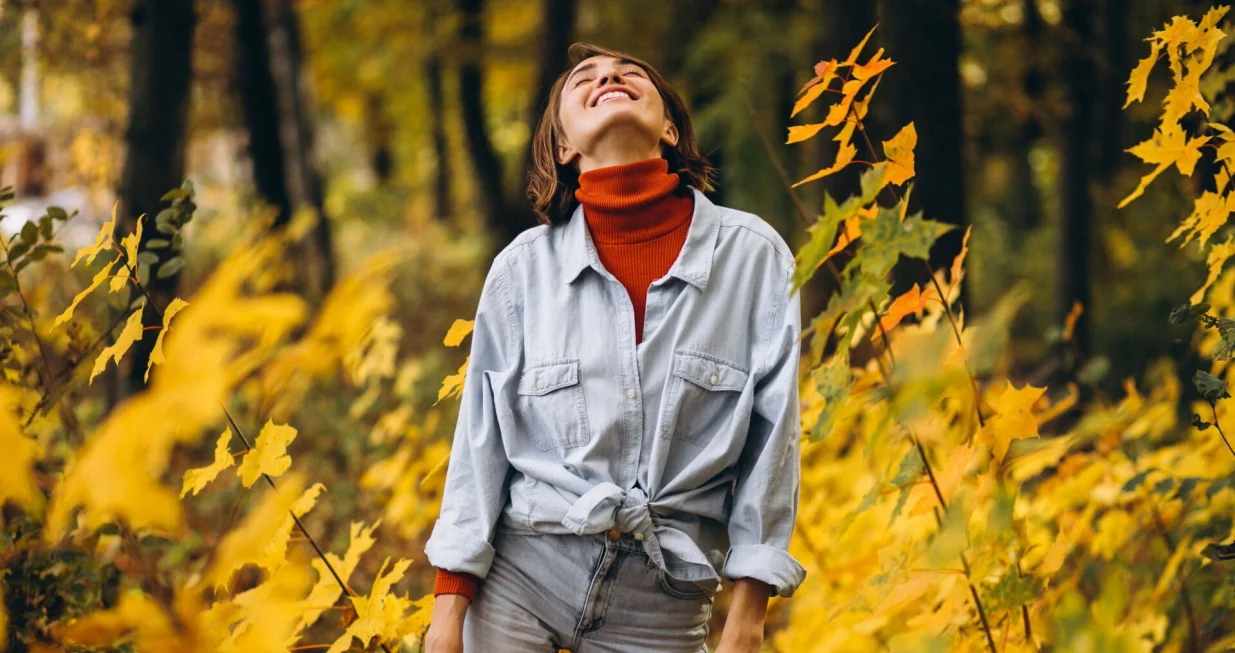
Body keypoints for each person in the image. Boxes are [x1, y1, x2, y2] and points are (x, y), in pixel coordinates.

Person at [423, 41, 806, 653]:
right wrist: (448, 614)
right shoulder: (521, 271)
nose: (609, 77)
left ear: (671, 129)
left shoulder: (754, 260)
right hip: (521, 579)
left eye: (630, 74)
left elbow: (774, 444)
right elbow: (479, 448)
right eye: (586, 78)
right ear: (563, 147)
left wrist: (749, 613)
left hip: (664, 604)